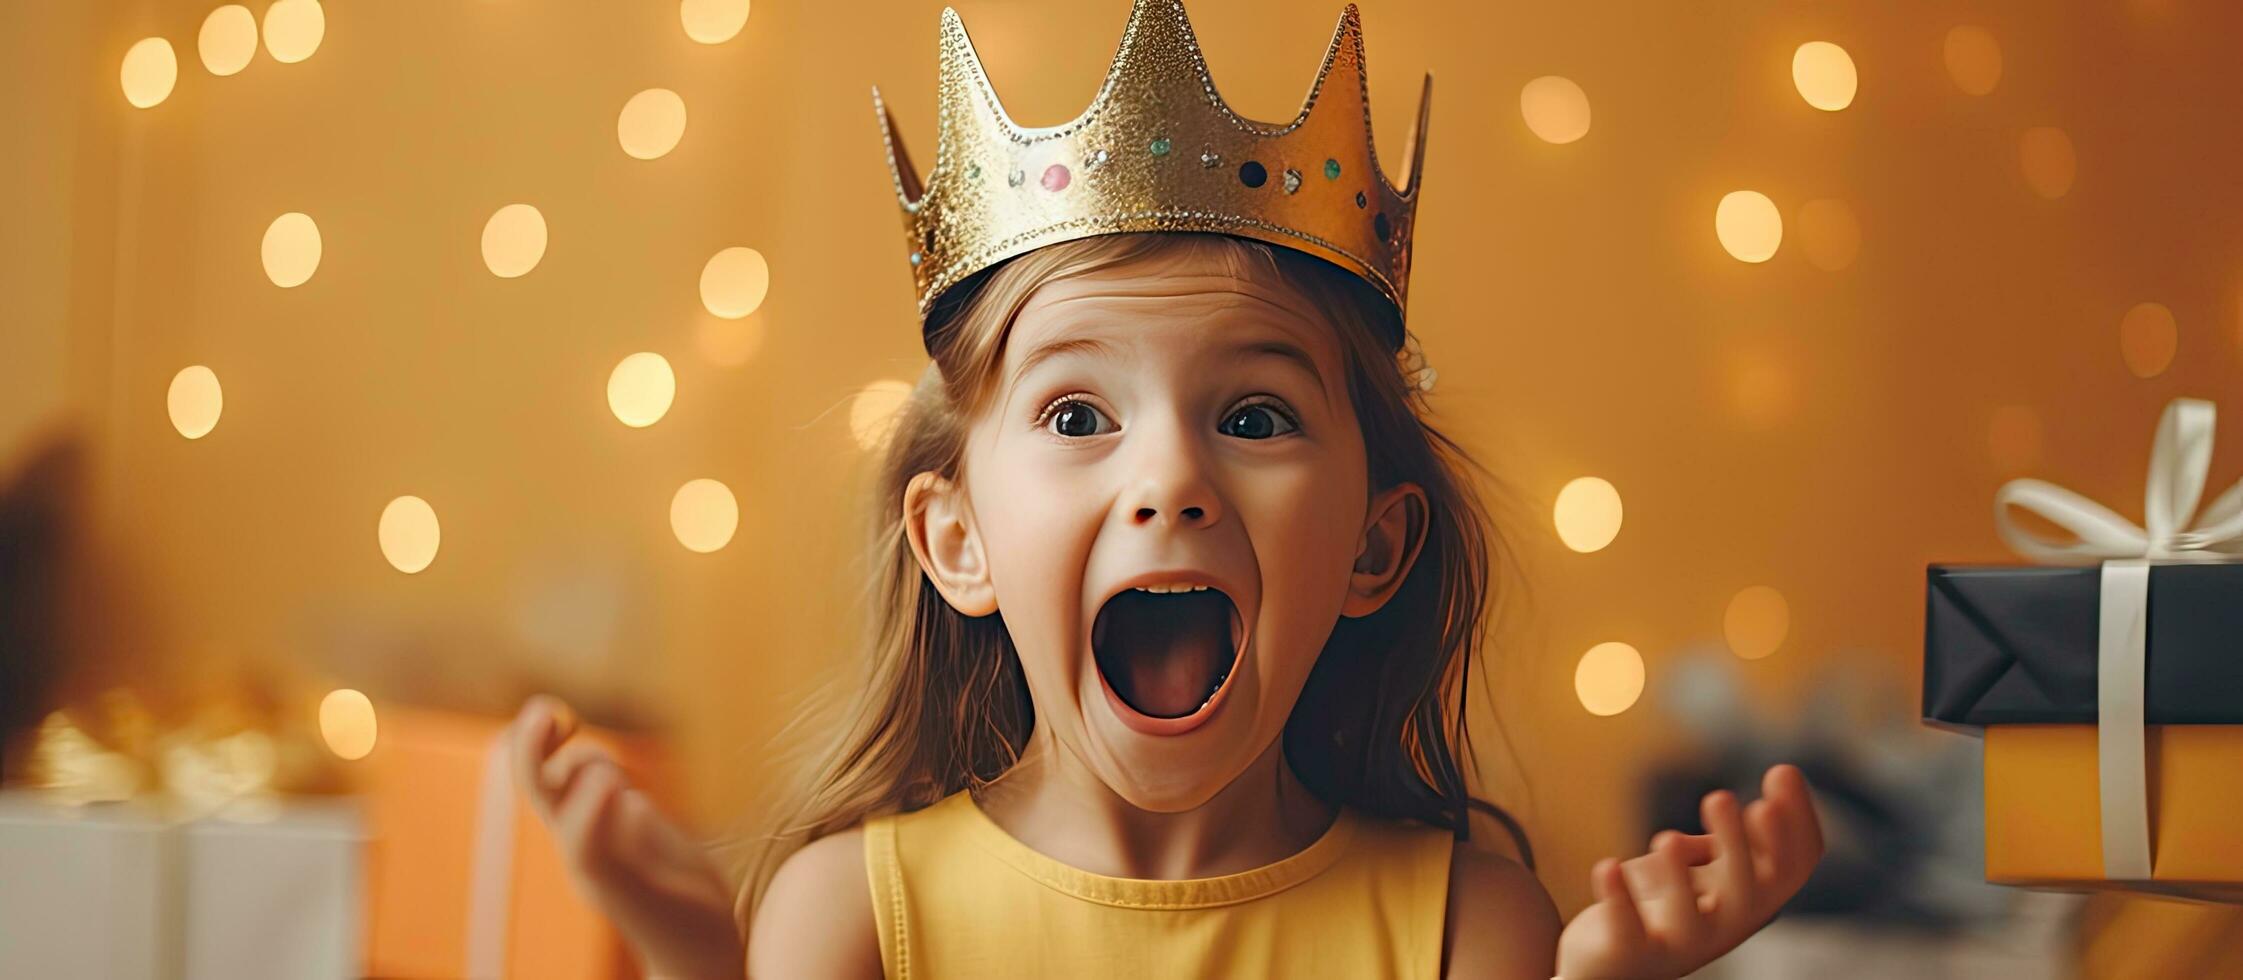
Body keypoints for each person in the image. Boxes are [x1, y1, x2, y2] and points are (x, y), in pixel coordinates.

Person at [512, 2, 1823, 976]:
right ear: (954, 539)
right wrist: (696, 961)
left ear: (1376, 547)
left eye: (1253, 417)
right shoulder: (848, 916)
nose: (1172, 479)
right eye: (1078, 414)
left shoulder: (1469, 933)